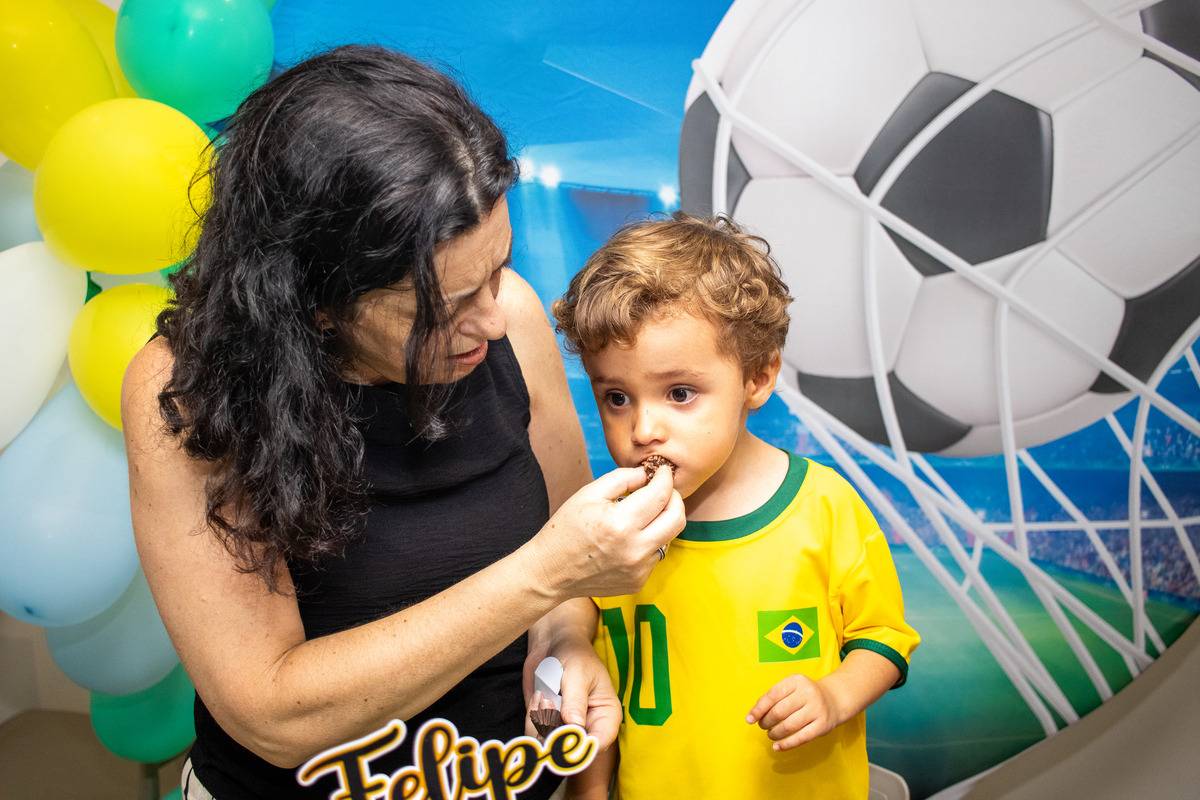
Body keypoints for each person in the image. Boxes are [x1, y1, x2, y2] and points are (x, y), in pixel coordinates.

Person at [121, 45, 686, 800]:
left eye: (498, 270)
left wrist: (563, 642)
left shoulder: (509, 317)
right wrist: (544, 575)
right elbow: (272, 715)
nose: (493, 321)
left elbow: (569, 576)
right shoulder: (188, 390)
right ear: (315, 302)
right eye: (445, 306)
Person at [550, 213, 921, 799]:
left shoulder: (823, 505)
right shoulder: (610, 529)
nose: (643, 429)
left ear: (758, 377)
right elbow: (595, 692)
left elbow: (884, 638)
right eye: (616, 398)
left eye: (679, 393)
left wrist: (833, 696)